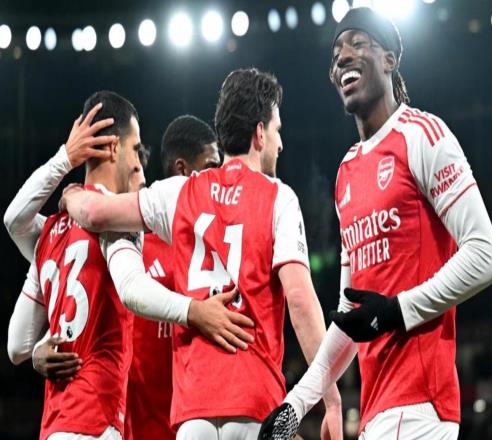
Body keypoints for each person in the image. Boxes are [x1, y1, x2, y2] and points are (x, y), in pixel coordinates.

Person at [258, 7, 492, 440]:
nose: (343, 57)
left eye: (358, 43)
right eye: (336, 52)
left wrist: (395, 311)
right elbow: (352, 317)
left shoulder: (423, 134)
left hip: (422, 405)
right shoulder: (346, 173)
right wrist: (295, 405)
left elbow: (486, 255)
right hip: (375, 411)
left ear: (389, 59)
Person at [61, 68, 342, 440]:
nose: (280, 144)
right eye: (277, 130)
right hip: (254, 401)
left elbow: (95, 213)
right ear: (260, 134)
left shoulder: (180, 192)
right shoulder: (279, 197)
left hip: (193, 412)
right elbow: (301, 301)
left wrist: (69, 194)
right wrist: (330, 397)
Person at [4, 91, 252, 440]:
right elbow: (131, 290)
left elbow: (18, 343)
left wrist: (42, 344)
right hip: (104, 422)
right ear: (115, 149)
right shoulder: (118, 227)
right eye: (136, 150)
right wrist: (195, 311)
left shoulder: (51, 234)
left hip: (60, 426)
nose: (140, 165)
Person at [126, 115, 221, 440]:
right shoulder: (133, 247)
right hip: (140, 431)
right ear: (182, 171)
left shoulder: (219, 248)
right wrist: (43, 345)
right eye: (210, 167)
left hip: (203, 426)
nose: (218, 178)